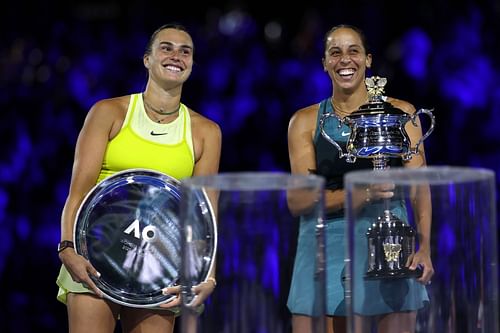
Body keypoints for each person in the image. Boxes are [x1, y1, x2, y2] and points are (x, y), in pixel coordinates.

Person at [56, 23, 222, 333]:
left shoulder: (206, 132)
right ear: (147, 59)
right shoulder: (108, 112)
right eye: (166, 48)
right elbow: (78, 192)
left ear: (192, 64)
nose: (176, 56)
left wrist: (207, 275)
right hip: (94, 257)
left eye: (185, 51)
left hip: (158, 268)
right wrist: (67, 249)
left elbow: (205, 214)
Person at [286, 24, 434, 333]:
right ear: (324, 63)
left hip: (389, 244)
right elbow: (298, 201)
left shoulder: (401, 113)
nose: (344, 60)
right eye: (335, 53)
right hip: (324, 245)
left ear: (368, 60)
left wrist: (424, 247)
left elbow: (420, 187)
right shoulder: (304, 121)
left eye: (353, 51)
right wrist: (361, 193)